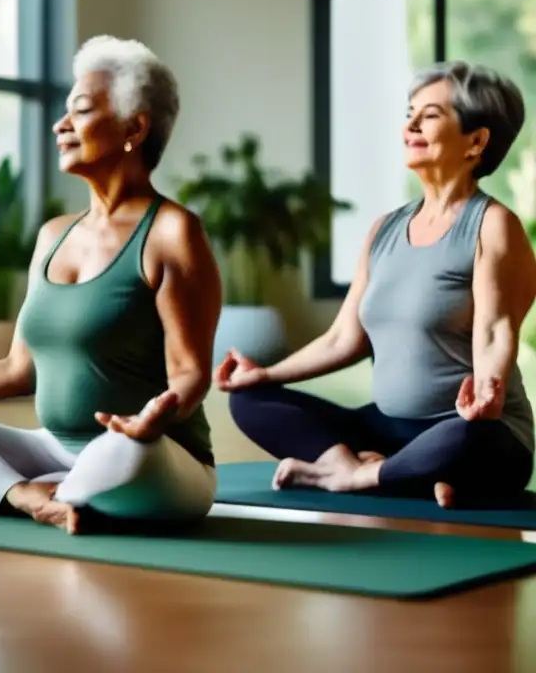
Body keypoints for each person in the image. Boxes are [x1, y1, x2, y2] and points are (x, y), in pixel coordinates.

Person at [0, 35, 224, 535]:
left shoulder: (172, 232)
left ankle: (11, 492)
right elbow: (16, 367)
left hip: (152, 457)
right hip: (55, 448)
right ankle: (28, 495)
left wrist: (155, 418)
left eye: (82, 111)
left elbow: (190, 372)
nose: (60, 125)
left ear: (134, 127)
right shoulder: (54, 235)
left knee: (120, 450)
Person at [219, 60, 536, 508]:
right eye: (410, 112)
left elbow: (495, 329)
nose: (411, 124)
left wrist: (488, 389)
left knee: (467, 439)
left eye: (430, 115)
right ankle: (386, 471)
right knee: (250, 401)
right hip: (388, 429)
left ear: (476, 141)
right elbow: (342, 340)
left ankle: (356, 475)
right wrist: (264, 374)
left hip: (469, 428)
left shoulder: (494, 226)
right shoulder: (385, 229)